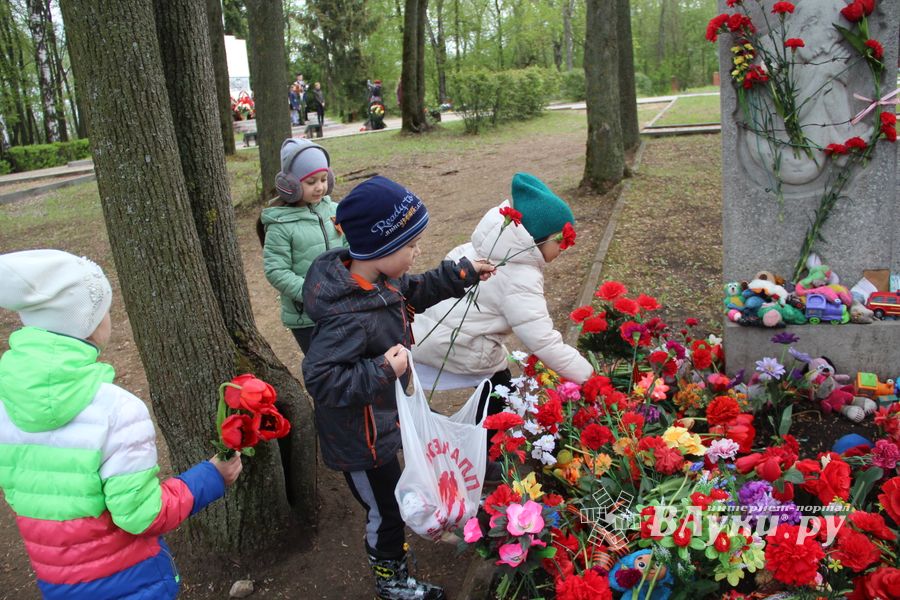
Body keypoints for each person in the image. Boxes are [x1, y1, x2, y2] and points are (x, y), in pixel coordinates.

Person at [0, 249, 242, 599]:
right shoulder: (116, 409)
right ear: (90, 322)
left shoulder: (6, 400)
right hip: (131, 581)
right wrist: (210, 477)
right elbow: (141, 515)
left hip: (58, 583)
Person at [301, 176, 494, 600]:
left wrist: (461, 273)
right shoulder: (348, 315)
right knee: (384, 510)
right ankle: (392, 583)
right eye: (410, 246)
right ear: (379, 250)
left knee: (396, 493)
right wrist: (382, 369)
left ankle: (404, 553)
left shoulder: (380, 282)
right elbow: (320, 378)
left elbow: (416, 289)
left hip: (384, 424)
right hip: (360, 440)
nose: (416, 251)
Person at [411, 173, 594, 452]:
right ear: (539, 238)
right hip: (456, 346)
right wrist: (588, 376)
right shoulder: (520, 275)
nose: (564, 250)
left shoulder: (485, 245)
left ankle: (470, 440)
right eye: (562, 242)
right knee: (501, 395)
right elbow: (542, 340)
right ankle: (482, 453)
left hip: (425, 336)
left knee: (498, 388)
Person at [260, 138, 344, 354]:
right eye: (311, 182)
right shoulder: (280, 225)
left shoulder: (334, 210)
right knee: (324, 368)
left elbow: (349, 245)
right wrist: (311, 292)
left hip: (340, 305)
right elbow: (276, 270)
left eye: (324, 179)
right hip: (307, 316)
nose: (320, 187)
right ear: (291, 185)